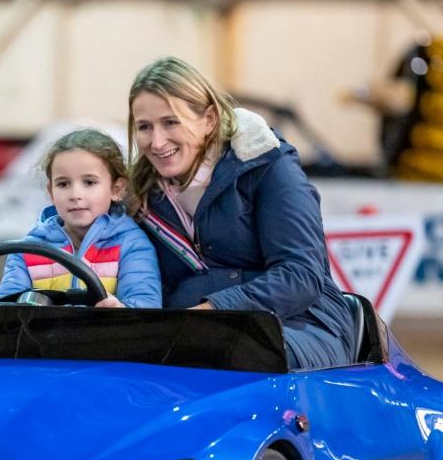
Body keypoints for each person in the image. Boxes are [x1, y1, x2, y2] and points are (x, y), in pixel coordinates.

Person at [127, 56, 356, 368]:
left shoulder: (267, 166)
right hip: (191, 334)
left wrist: (210, 313)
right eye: (144, 127)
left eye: (170, 122)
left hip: (300, 325)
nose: (156, 141)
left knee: (223, 354)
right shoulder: (138, 192)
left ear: (208, 119)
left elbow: (301, 276)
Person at [0, 128, 161, 308]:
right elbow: (10, 304)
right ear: (51, 192)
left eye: (89, 182)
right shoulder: (28, 249)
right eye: (63, 184)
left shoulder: (132, 244)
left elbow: (146, 308)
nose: (75, 194)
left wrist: (120, 311)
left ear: (116, 189)